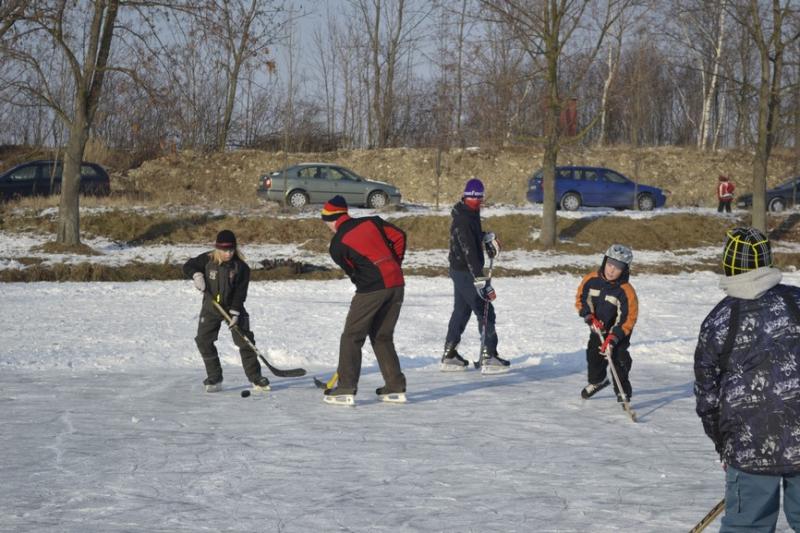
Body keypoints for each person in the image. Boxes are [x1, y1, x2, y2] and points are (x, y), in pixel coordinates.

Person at [694, 227, 800, 531]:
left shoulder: (718, 321)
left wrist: (723, 445)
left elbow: (707, 397)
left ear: (728, 264)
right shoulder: (796, 301)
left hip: (748, 448)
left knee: (747, 527)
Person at [321, 195, 408, 406]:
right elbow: (399, 236)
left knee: (352, 336)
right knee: (382, 336)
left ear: (331, 220)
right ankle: (395, 386)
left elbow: (353, 271)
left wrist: (365, 282)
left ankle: (345, 387)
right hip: (396, 283)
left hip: (372, 290)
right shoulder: (372, 221)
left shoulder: (337, 245)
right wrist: (393, 263)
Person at [183, 230, 271, 393]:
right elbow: (188, 265)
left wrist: (236, 312)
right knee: (203, 340)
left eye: (231, 250)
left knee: (245, 341)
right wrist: (196, 275)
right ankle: (215, 377)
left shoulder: (241, 267)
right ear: (217, 249)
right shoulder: (207, 259)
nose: (228, 254)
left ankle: (256, 378)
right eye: (224, 250)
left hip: (233, 308)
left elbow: (240, 292)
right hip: (211, 307)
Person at [441, 177, 508, 374]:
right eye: (477, 200)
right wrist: (480, 278)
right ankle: (489, 356)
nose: (479, 203)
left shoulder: (469, 212)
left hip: (460, 270)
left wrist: (485, 237)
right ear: (471, 198)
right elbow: (468, 249)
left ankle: (450, 354)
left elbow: (472, 237)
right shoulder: (464, 218)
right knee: (485, 308)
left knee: (461, 311)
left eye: (479, 200)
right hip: (466, 271)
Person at [574, 244, 638, 402]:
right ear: (604, 262)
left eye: (617, 268)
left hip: (618, 333)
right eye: (609, 264)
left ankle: (622, 391)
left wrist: (613, 338)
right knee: (593, 356)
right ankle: (598, 381)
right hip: (598, 329)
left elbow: (628, 317)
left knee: (619, 360)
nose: (611, 270)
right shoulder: (591, 280)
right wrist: (589, 316)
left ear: (625, 270)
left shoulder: (626, 290)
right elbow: (582, 299)